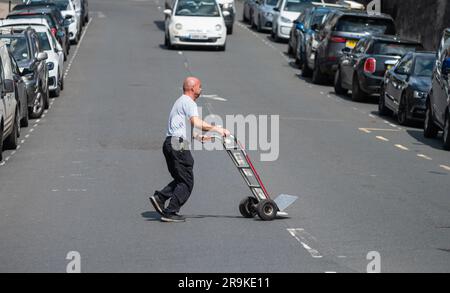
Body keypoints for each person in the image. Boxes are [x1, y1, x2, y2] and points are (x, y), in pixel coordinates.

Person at [150, 77, 231, 223]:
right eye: (200, 86)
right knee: (187, 180)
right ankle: (170, 211)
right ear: (192, 88)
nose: (201, 89)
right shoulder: (189, 102)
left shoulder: (179, 102)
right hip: (178, 144)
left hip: (170, 143)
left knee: (181, 178)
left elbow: (180, 127)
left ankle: (160, 198)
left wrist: (198, 137)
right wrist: (217, 128)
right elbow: (196, 122)